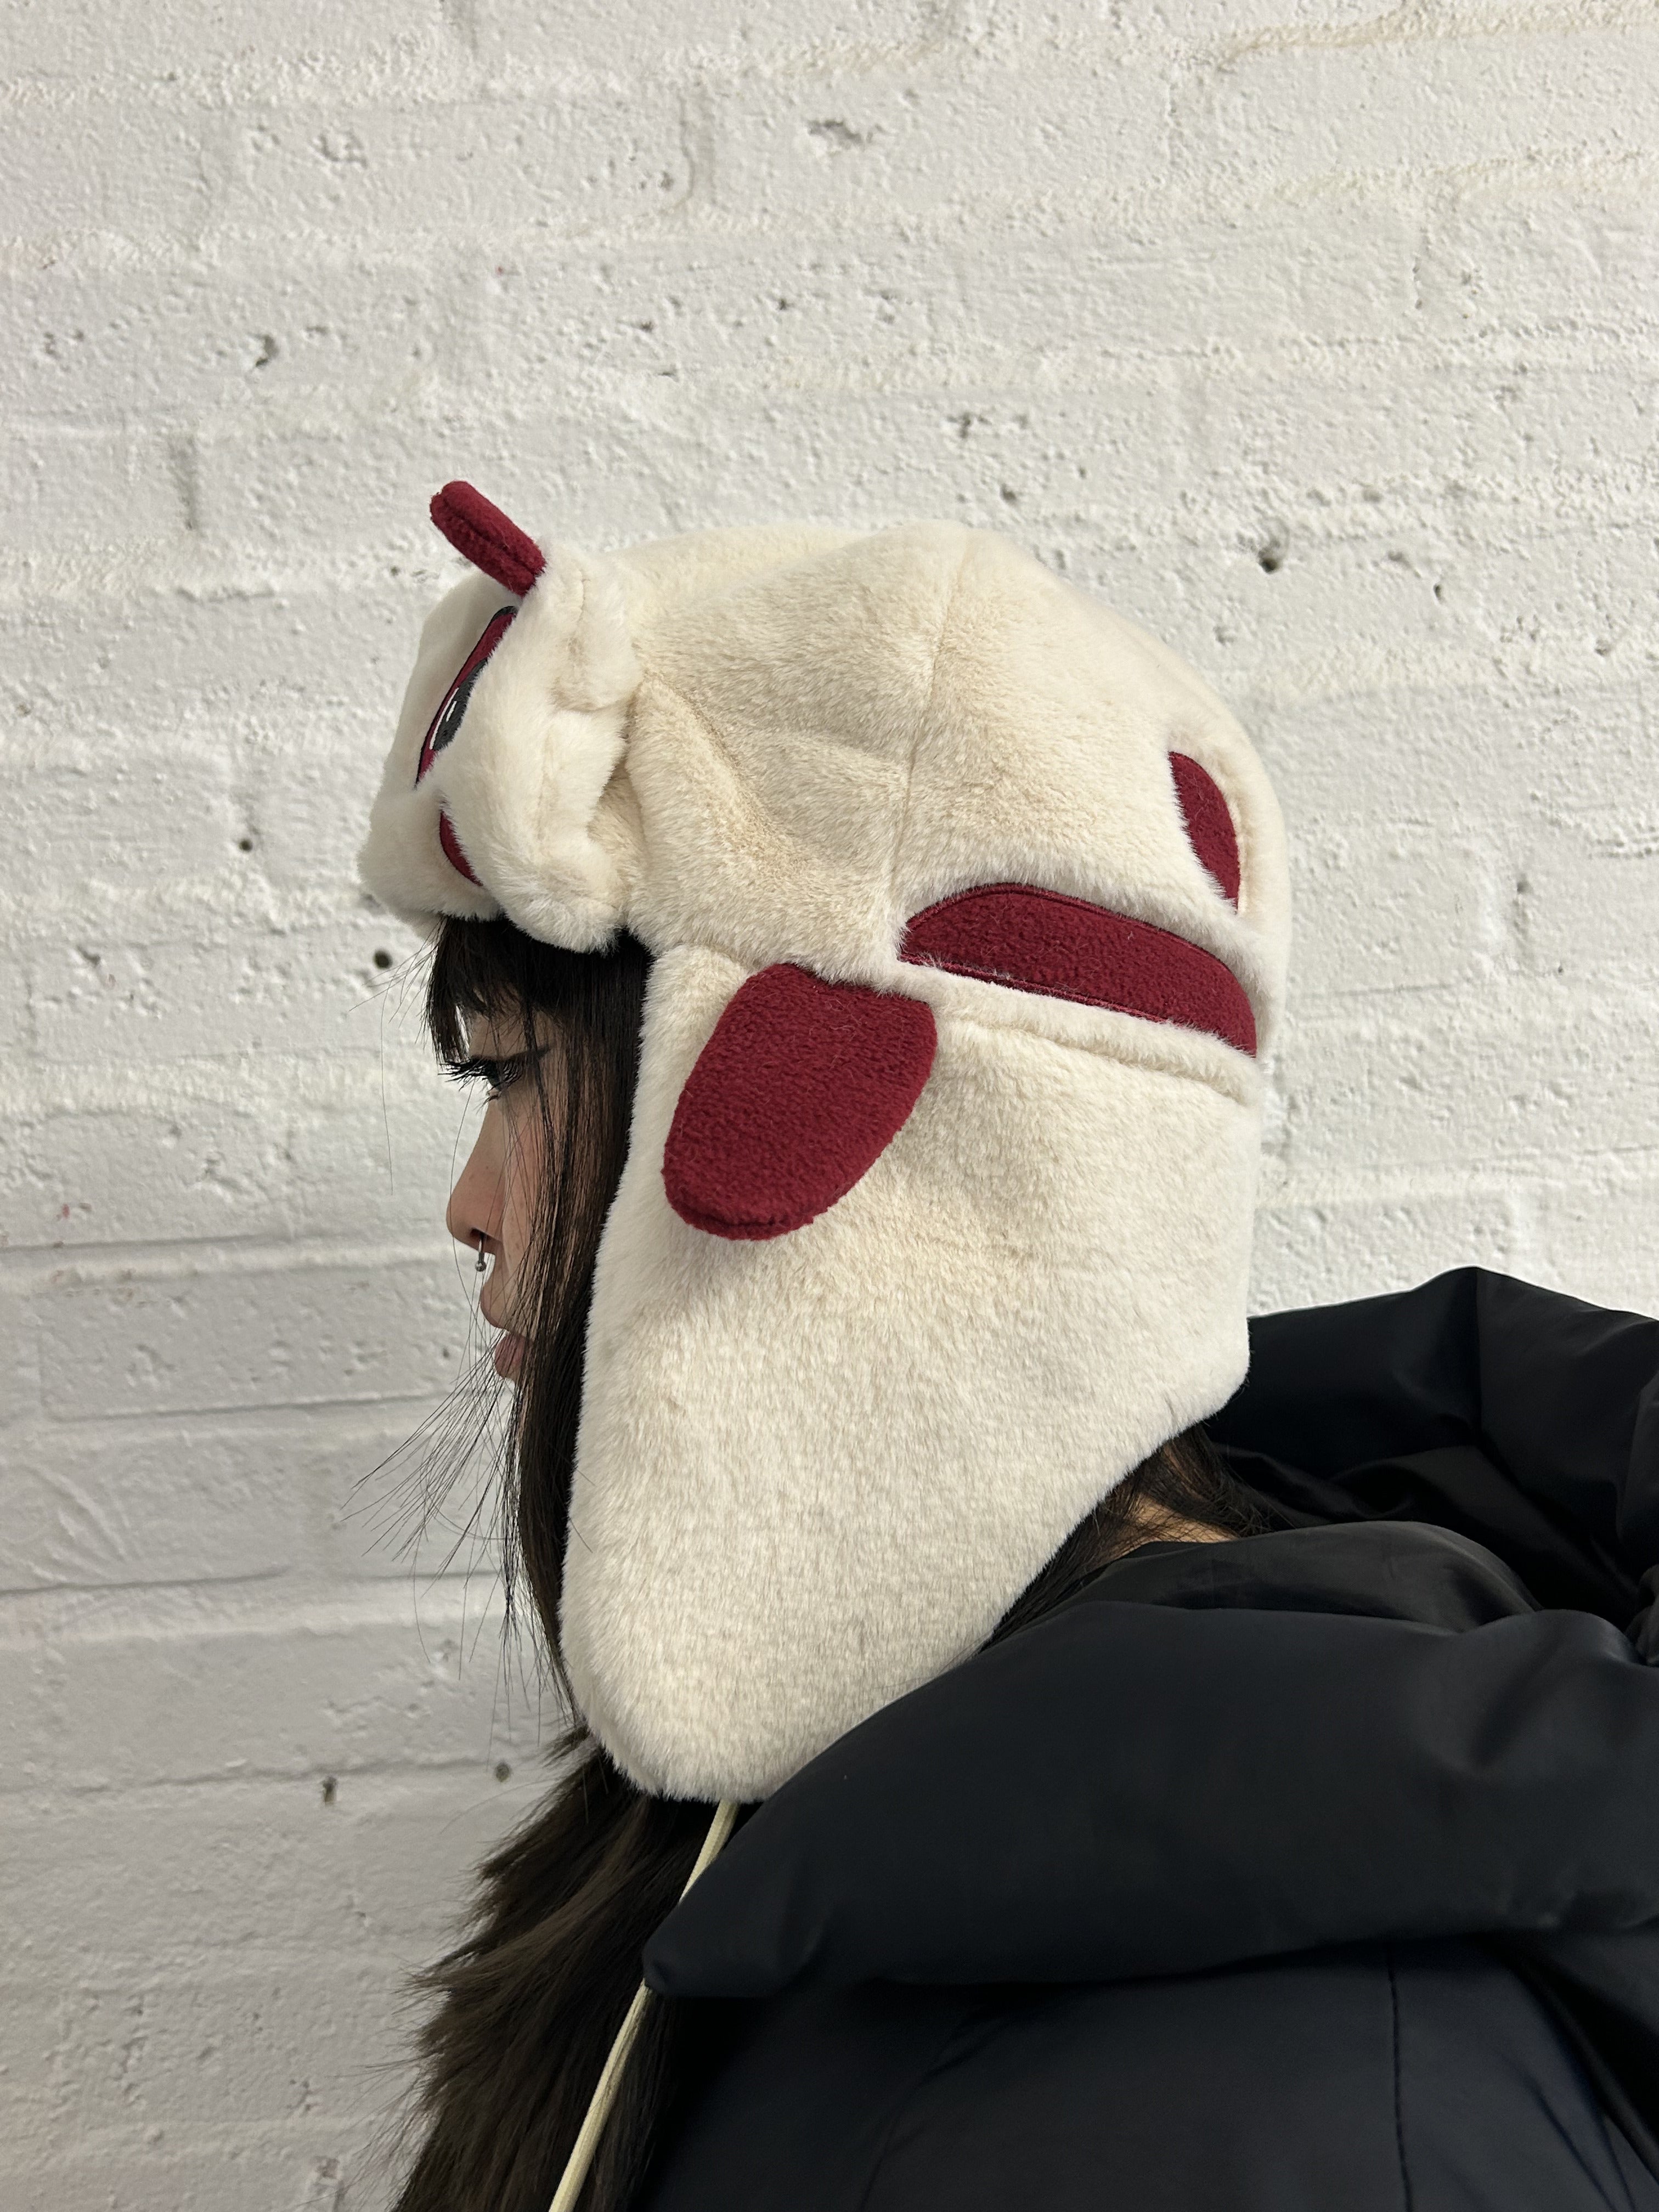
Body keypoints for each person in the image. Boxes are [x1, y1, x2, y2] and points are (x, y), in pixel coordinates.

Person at [360, 484, 1659, 2212]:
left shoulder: (1278, 2111)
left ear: (837, 1142)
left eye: (513, 1072)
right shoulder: (850, 1805)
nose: (468, 1206)